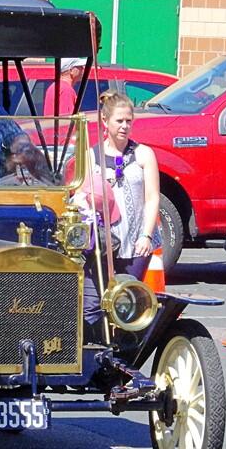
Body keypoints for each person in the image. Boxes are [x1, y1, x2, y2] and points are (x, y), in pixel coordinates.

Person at [66, 90, 161, 329]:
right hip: (99, 244)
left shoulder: (143, 154)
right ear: (105, 121)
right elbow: (79, 197)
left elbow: (152, 197)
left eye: (129, 121)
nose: (125, 126)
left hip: (135, 243)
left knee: (125, 304)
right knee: (92, 305)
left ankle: (121, 354)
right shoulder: (91, 156)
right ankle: (93, 353)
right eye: (119, 121)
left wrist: (146, 236)